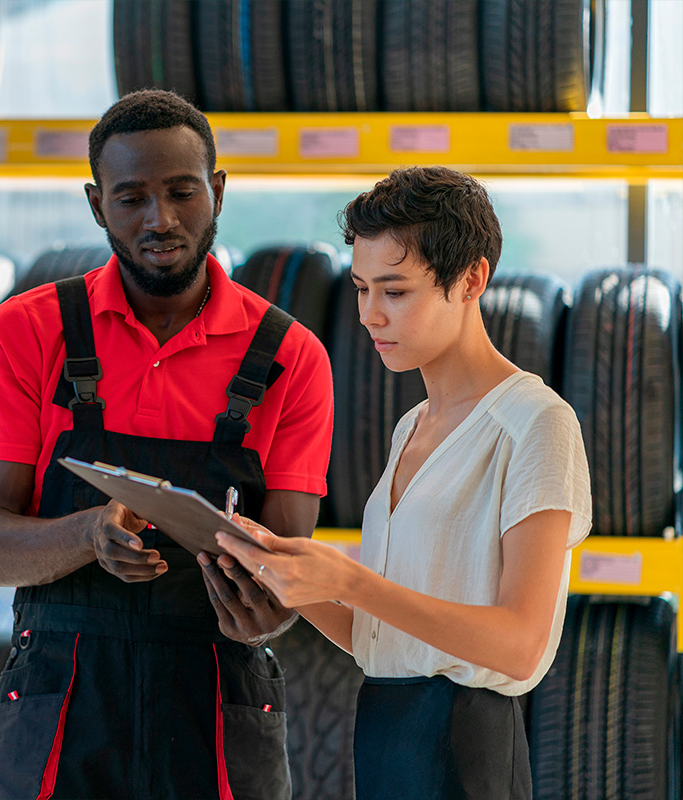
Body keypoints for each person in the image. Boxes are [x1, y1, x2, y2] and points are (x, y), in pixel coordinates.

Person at [0, 89, 334, 800]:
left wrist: (270, 610)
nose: (159, 219)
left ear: (218, 192)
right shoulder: (25, 333)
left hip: (218, 698)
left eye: (181, 192)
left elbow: (288, 563)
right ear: (96, 204)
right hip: (65, 697)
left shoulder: (291, 356)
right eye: (130, 198)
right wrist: (88, 532)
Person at [216, 166, 592, 800]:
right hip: (386, 732)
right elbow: (380, 644)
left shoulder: (536, 423)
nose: (367, 314)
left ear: (471, 279)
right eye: (361, 288)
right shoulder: (411, 426)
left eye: (394, 291)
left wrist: (352, 580)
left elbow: (521, 646)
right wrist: (284, 572)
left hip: (465, 749)